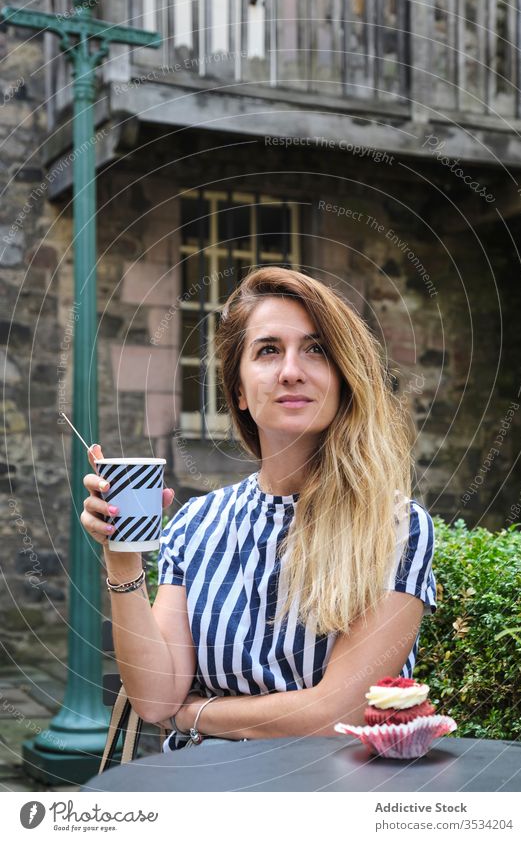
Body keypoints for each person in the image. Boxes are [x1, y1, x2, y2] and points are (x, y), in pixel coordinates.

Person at [81, 266, 436, 752]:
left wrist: (199, 714)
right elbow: (156, 696)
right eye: (268, 350)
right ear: (240, 392)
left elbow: (338, 713)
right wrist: (122, 556)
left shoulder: (395, 527)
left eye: (316, 349)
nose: (292, 369)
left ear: (343, 376)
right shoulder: (196, 523)